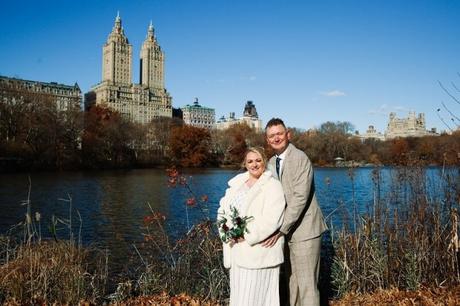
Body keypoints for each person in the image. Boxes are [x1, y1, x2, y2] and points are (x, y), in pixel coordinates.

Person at [262, 118, 327, 306]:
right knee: (292, 283)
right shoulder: (271, 162)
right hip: (287, 232)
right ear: (267, 140)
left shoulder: (300, 158)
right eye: (271, 136)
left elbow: (300, 199)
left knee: (307, 287)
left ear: (287, 134)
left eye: (279, 134)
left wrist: (281, 229)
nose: (276, 138)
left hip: (305, 231)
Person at [218, 147, 286, 306]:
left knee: (258, 298)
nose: (254, 164)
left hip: (259, 252)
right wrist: (226, 232)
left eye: (258, 160)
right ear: (245, 163)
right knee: (240, 298)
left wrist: (246, 235)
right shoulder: (237, 184)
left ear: (264, 161)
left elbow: (272, 219)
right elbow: (222, 210)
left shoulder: (273, 186)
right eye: (250, 161)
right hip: (235, 250)